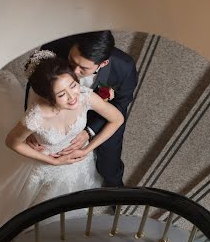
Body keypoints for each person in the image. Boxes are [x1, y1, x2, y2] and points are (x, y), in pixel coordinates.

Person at [5, 50, 124, 208]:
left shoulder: (84, 96)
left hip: (78, 161)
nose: (72, 96)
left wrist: (87, 149)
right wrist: (52, 161)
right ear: (48, 97)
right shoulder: (36, 116)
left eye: (73, 85)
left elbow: (117, 119)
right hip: (45, 168)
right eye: (61, 94)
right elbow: (12, 142)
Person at [25, 31, 138, 187]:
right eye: (72, 61)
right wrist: (32, 127)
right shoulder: (54, 47)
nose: (75, 72)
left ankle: (116, 191)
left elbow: (120, 104)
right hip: (58, 105)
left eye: (83, 68)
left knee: (109, 160)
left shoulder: (125, 68)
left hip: (102, 112)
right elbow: (35, 86)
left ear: (103, 63)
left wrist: (89, 131)